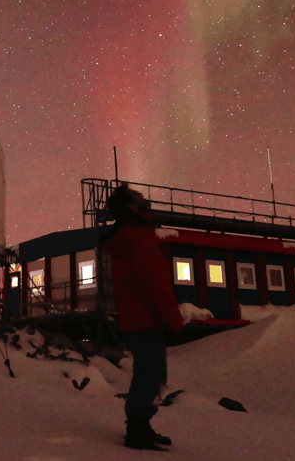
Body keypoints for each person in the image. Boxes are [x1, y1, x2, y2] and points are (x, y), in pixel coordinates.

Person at [101, 185, 186, 450]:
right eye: (140, 200)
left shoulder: (124, 237)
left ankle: (140, 425)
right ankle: (138, 429)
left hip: (134, 317)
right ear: (131, 208)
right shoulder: (138, 236)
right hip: (147, 318)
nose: (146, 202)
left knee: (146, 373)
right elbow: (154, 281)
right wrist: (173, 319)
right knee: (151, 374)